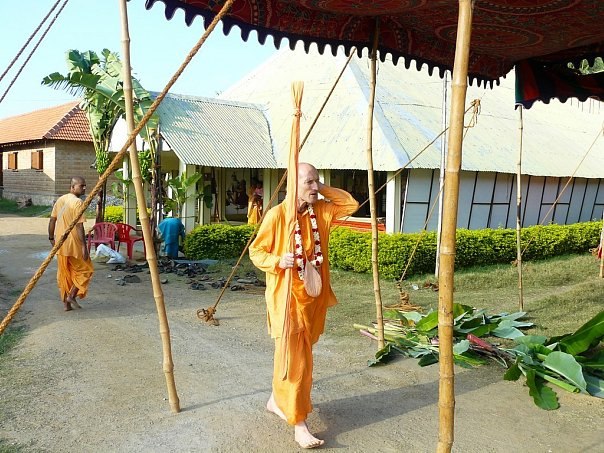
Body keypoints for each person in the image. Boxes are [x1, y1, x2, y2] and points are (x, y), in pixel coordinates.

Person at [249, 162, 359, 449]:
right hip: (286, 300)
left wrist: (319, 187)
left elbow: (349, 204)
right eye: (309, 182)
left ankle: (276, 399)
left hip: (312, 299)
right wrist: (277, 261)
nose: (315, 188)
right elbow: (256, 251)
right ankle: (299, 423)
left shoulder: (321, 210)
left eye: (317, 182)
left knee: (295, 356)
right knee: (296, 362)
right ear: (293, 186)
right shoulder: (277, 216)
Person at [48, 176, 94, 312]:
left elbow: (52, 221)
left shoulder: (61, 200)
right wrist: (84, 247)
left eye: (85, 185)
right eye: (81, 186)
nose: (84, 188)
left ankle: (66, 305)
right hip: (73, 244)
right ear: (72, 187)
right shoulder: (78, 202)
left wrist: (52, 238)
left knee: (65, 273)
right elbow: (79, 227)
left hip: (61, 244)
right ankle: (71, 296)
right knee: (86, 270)